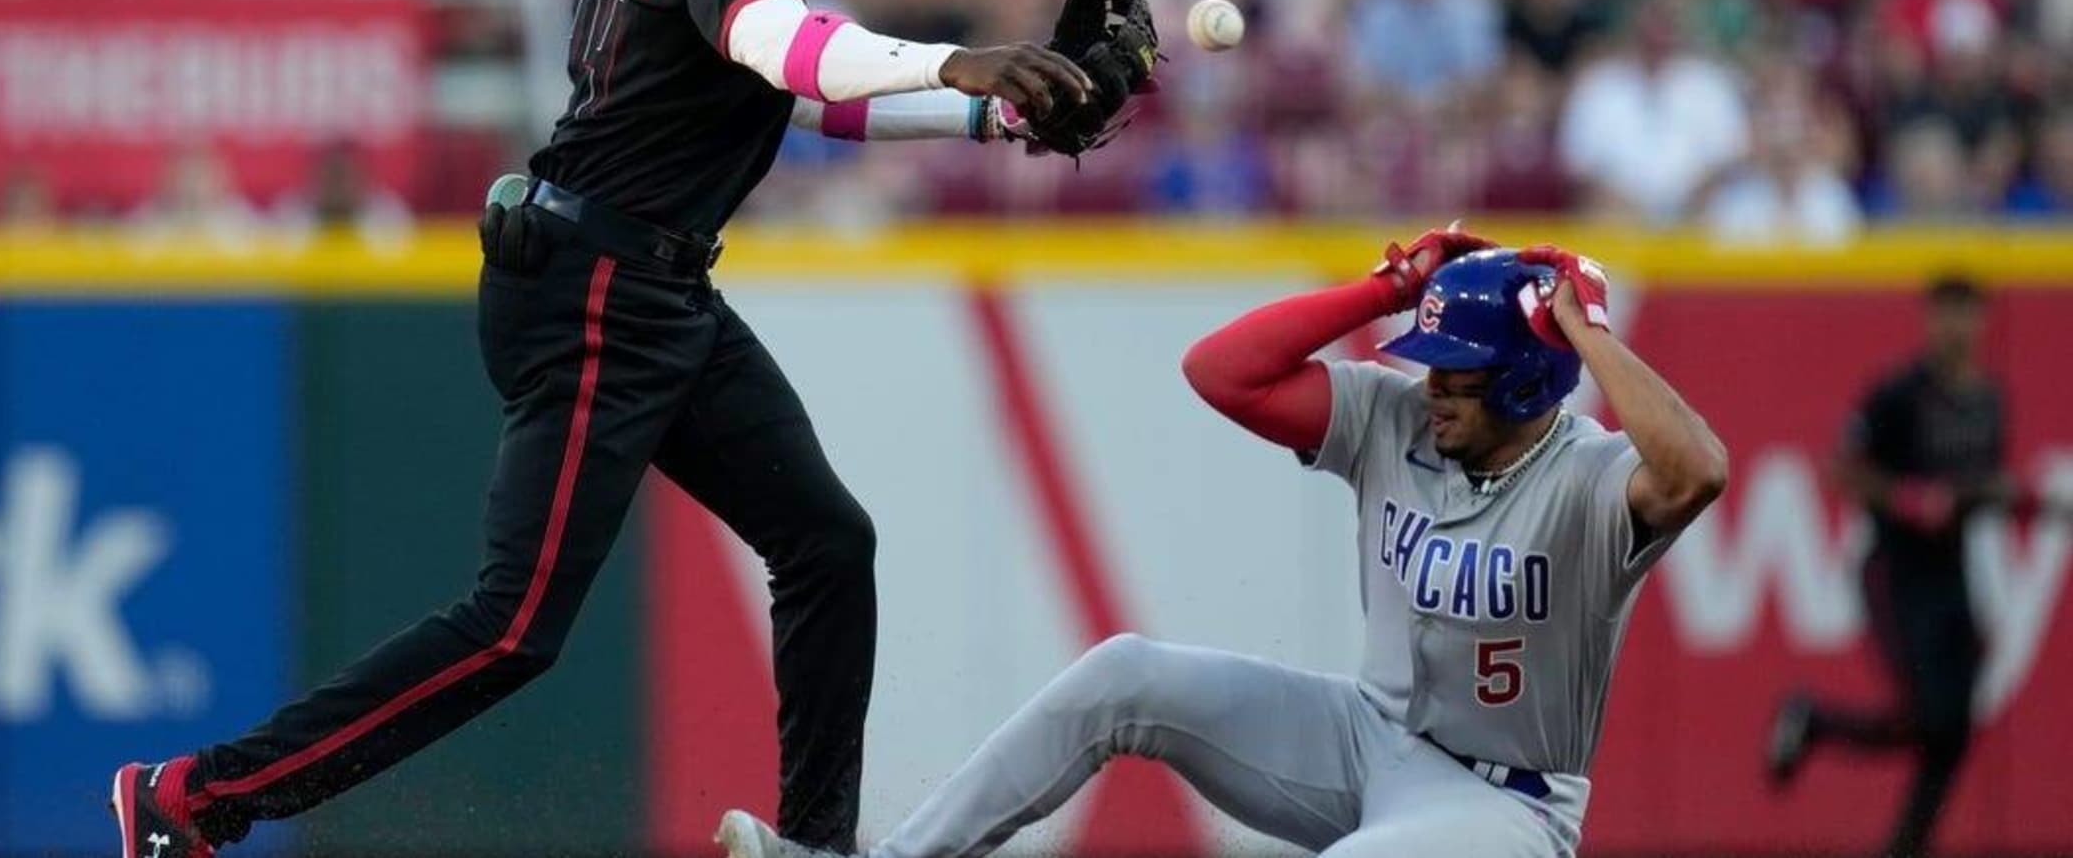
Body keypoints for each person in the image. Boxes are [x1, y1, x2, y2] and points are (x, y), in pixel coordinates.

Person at [109, 0, 1132, 858]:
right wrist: (962, 62)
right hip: (596, 287)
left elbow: (798, 95)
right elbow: (792, 52)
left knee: (825, 543)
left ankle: (814, 845)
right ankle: (193, 799)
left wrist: (992, 117)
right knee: (514, 629)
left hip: (637, 279)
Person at [718, 231, 1729, 858]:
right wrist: (1382, 292)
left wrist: (1588, 334)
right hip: (1367, 740)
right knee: (1127, 675)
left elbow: (1700, 470)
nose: (1430, 386)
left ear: (1522, 382)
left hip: (1504, 806)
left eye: (1456, 373)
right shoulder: (1398, 419)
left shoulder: (1590, 478)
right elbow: (1222, 372)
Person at [1764, 277, 2037, 858]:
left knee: (1951, 731)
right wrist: (1906, 497)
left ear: (1983, 322)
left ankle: (1904, 839)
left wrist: (2015, 499)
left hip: (1955, 574)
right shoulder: (1900, 393)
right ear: (1929, 319)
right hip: (1897, 572)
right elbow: (1843, 468)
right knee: (1929, 715)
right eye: (1946, 314)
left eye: (1967, 314)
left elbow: (1978, 486)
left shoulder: (1989, 398)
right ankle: (1813, 722)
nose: (1956, 328)